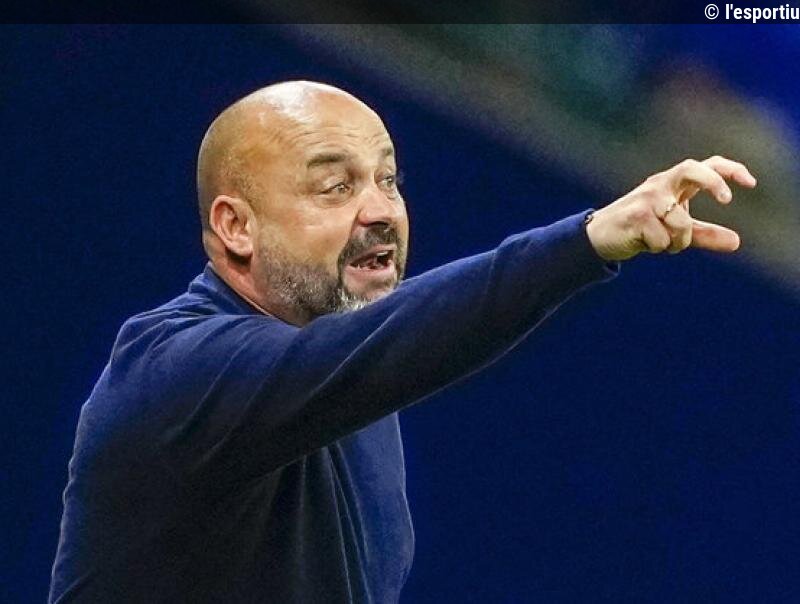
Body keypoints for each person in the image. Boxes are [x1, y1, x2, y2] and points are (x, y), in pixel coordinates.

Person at [49, 81, 756, 603]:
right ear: (237, 227)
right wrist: (587, 241)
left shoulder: (356, 393)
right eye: (335, 187)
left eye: (388, 180)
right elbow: (391, 343)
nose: (381, 210)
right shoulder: (172, 372)